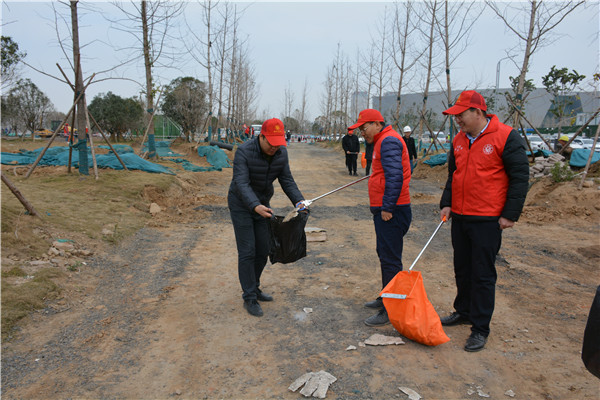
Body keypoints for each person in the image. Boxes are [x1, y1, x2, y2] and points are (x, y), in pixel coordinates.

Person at [439, 90, 529, 352]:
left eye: (461, 115)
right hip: (460, 216)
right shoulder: (459, 139)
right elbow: (453, 174)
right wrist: (447, 202)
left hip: (487, 219)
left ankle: (480, 327)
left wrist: (510, 214)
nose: (457, 120)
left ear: (478, 112)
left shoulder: (506, 137)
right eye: (455, 116)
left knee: (482, 274)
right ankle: (463, 311)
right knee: (462, 268)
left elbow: (520, 177)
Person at [228, 118, 306, 317]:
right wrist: (254, 206)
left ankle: (254, 287)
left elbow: (287, 180)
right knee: (248, 251)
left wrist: (299, 201)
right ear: (261, 136)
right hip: (241, 204)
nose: (274, 148)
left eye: (278, 143)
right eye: (271, 143)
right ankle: (249, 296)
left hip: (263, 204)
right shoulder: (244, 152)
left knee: (264, 249)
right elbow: (241, 183)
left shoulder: (281, 153)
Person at [348, 109, 412, 326]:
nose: (362, 132)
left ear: (377, 124)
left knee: (390, 259)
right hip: (387, 208)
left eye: (364, 128)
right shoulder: (382, 140)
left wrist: (388, 207)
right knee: (384, 254)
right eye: (360, 129)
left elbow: (395, 176)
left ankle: (390, 308)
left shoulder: (389, 141)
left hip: (392, 210)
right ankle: (386, 295)